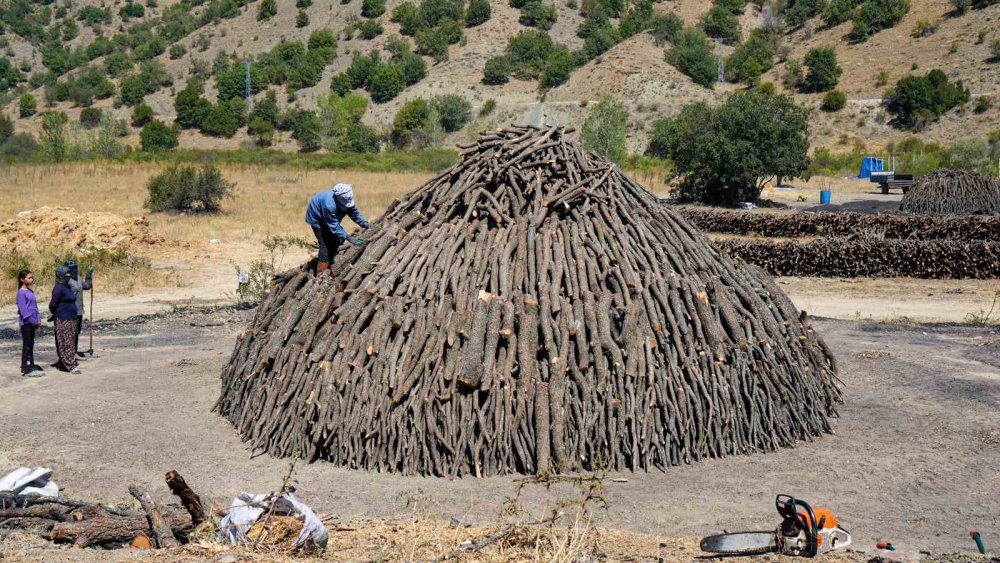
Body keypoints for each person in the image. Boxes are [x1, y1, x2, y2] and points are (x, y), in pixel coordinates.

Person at [304, 183, 369, 274]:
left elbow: (354, 213)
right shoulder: (329, 205)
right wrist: (349, 238)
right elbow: (334, 226)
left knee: (335, 241)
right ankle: (321, 274)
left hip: (330, 217)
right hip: (317, 219)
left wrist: (365, 223)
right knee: (325, 246)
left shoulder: (346, 199)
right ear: (338, 198)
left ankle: (330, 263)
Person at [49, 265, 80, 374]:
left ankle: (64, 362)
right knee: (65, 342)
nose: (69, 275)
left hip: (71, 318)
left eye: (69, 273)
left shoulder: (67, 286)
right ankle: (69, 364)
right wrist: (56, 313)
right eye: (66, 273)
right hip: (63, 319)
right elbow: (52, 304)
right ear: (60, 275)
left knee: (71, 341)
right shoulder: (58, 288)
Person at [16, 270, 43, 377]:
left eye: (32, 277)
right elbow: (24, 311)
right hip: (26, 324)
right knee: (27, 345)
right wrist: (34, 322)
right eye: (29, 278)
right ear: (22, 279)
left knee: (31, 344)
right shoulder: (20, 293)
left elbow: (35, 308)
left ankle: (31, 364)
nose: (31, 279)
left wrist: (38, 320)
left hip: (33, 322)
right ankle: (26, 368)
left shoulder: (30, 291)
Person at [64, 259, 93, 358]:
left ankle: (74, 352)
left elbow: (87, 286)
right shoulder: (66, 281)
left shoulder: (79, 279)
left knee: (76, 332)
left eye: (76, 268)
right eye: (72, 268)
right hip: (70, 311)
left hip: (79, 311)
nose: (75, 270)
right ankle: (70, 353)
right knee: (71, 333)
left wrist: (89, 274)